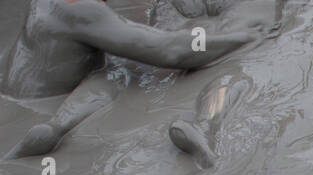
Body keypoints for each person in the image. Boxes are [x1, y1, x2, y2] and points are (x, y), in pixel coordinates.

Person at [1, 0, 262, 158]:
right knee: (118, 76)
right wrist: (245, 38)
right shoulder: (81, 9)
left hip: (22, 99)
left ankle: (55, 128)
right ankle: (53, 129)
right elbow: (170, 51)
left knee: (106, 78)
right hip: (49, 99)